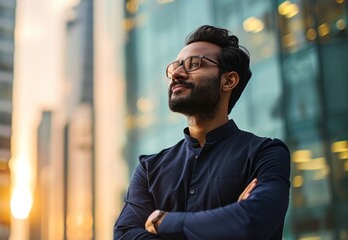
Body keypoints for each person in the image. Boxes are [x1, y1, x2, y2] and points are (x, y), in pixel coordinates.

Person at [113, 25, 291, 240]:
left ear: (228, 81)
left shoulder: (265, 153)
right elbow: (125, 235)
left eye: (194, 64)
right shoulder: (149, 168)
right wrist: (226, 224)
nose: (177, 74)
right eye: (175, 67)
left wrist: (164, 221)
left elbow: (252, 220)